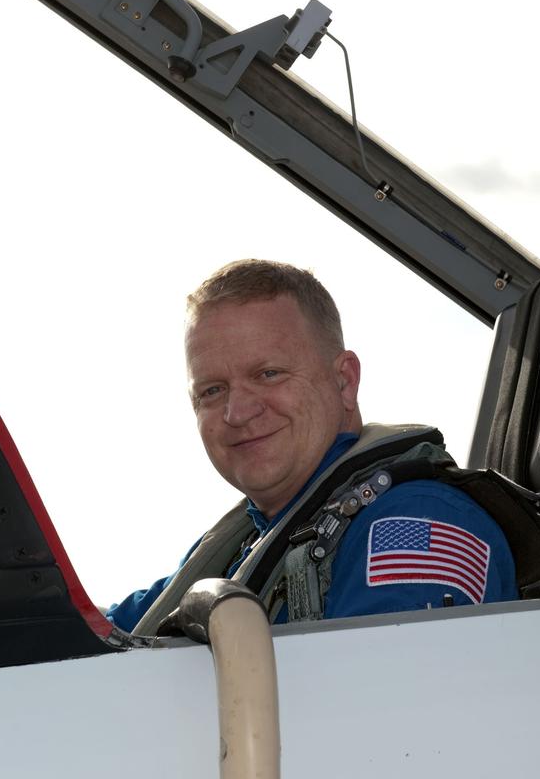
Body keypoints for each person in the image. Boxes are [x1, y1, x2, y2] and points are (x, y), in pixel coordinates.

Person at [106, 259, 517, 632]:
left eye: (268, 374)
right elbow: (95, 636)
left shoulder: (412, 525)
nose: (237, 412)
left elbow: (394, 688)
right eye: (212, 390)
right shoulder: (242, 546)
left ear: (344, 381)